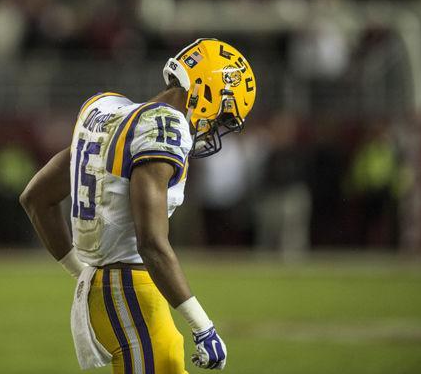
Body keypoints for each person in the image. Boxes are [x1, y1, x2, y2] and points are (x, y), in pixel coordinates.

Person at [20, 38, 257, 373]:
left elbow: (36, 197)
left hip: (115, 290)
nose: (215, 126)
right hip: (130, 293)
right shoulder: (164, 128)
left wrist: (82, 273)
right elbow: (152, 244)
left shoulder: (112, 113)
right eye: (223, 116)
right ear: (209, 92)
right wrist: (202, 325)